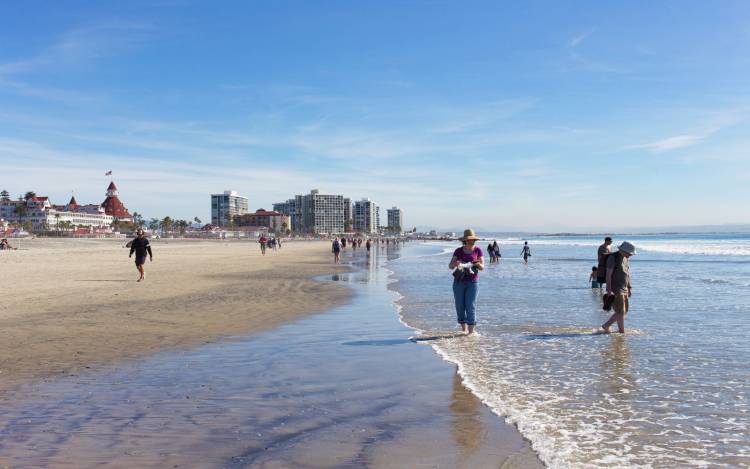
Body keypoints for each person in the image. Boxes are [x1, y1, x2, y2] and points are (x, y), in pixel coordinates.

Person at [448, 229, 484, 335]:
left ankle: (471, 333)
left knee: (470, 305)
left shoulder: (478, 250)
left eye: (472, 240)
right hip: (458, 282)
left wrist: (476, 264)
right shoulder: (458, 251)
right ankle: (464, 329)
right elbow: (450, 266)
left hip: (473, 282)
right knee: (460, 305)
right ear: (464, 241)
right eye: (468, 240)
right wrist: (456, 263)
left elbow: (482, 267)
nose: (470, 242)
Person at [602, 241, 636, 334]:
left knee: (624, 311)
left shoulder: (625, 258)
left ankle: (621, 330)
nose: (631, 255)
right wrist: (609, 290)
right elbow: (608, 275)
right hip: (615, 288)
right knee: (620, 311)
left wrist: (629, 288)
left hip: (624, 288)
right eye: (629, 253)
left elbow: (627, 274)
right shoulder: (613, 258)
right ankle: (606, 325)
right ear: (623, 250)